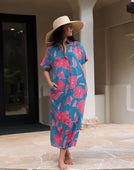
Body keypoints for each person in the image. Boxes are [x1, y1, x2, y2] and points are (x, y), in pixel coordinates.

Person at [40, 15, 88, 170]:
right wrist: (49, 82)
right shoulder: (51, 51)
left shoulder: (78, 46)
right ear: (60, 30)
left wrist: (84, 84)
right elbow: (45, 69)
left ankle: (64, 155)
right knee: (61, 122)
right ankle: (64, 156)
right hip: (59, 92)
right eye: (67, 26)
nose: (70, 28)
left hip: (77, 91)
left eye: (71, 26)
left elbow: (82, 66)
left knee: (72, 121)